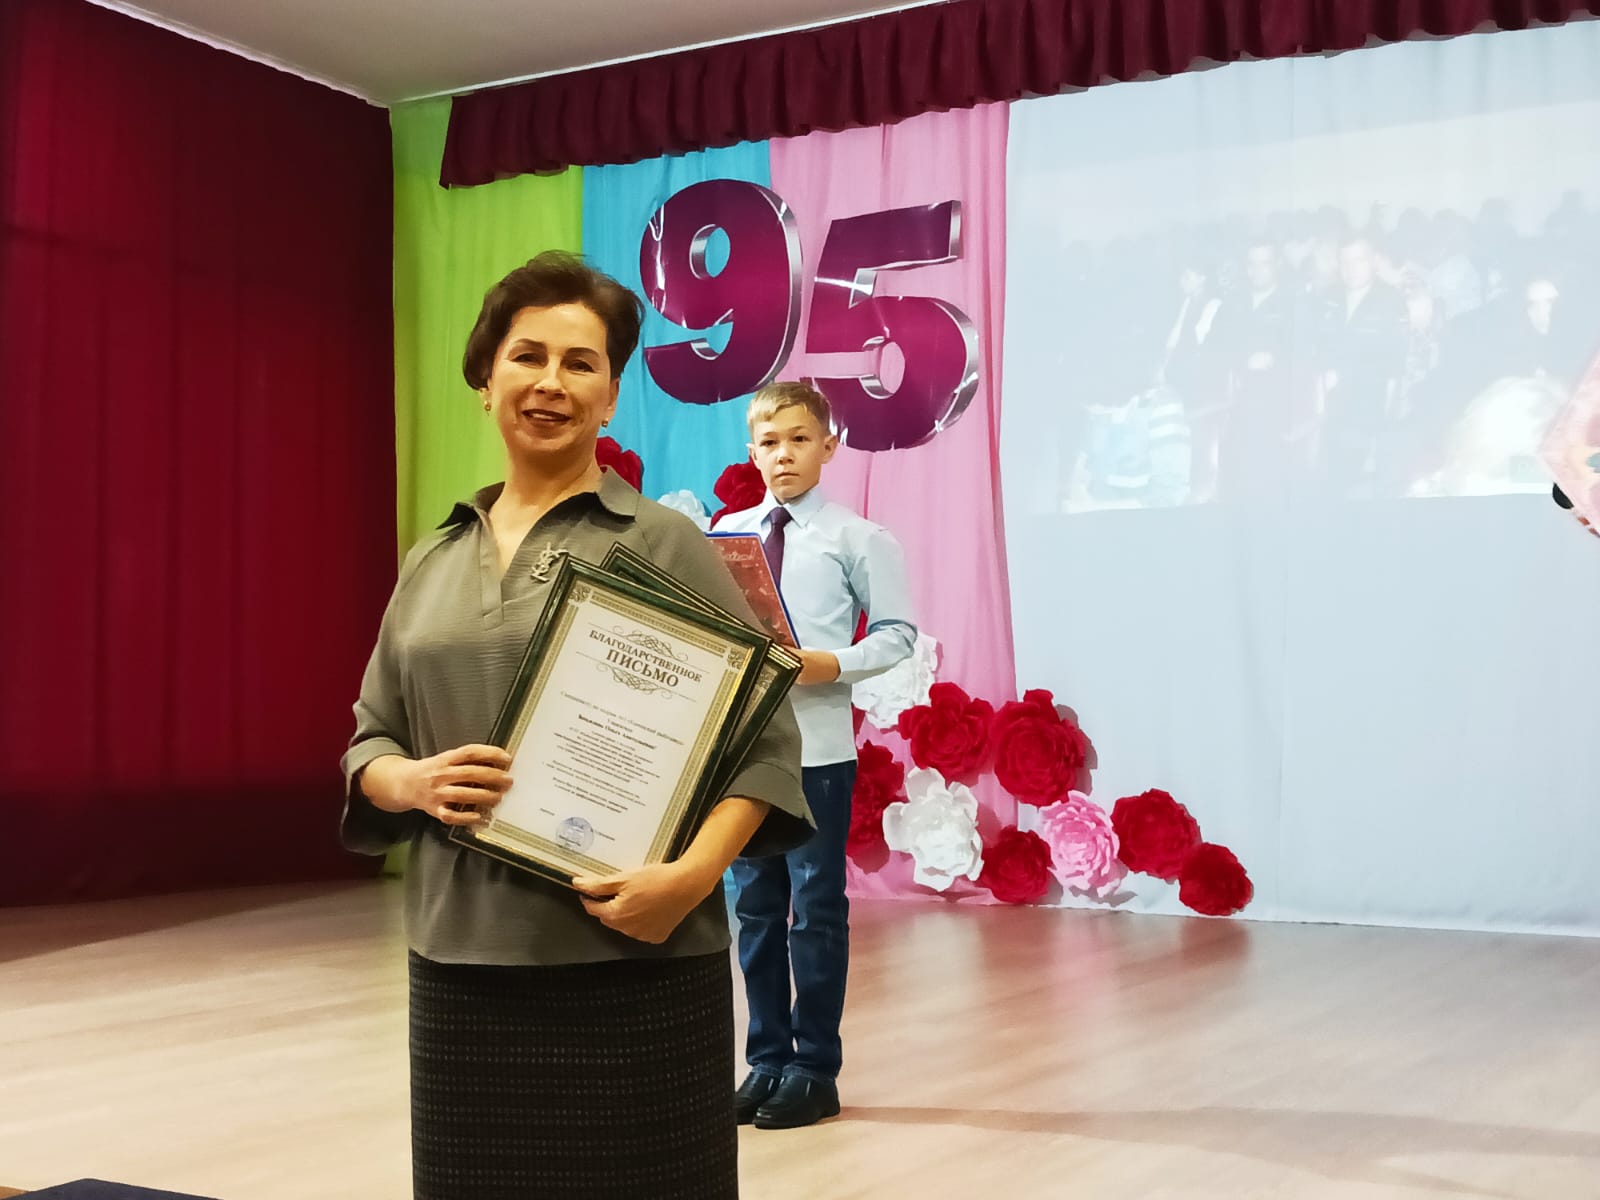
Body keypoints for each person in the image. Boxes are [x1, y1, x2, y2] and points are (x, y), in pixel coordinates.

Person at [340, 251, 811, 1200]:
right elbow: (370, 740)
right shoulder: (431, 558)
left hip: (636, 963)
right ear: (486, 381)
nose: (551, 382)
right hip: (461, 964)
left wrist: (688, 880)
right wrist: (410, 782)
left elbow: (764, 746)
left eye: (580, 363)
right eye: (527, 356)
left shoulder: (664, 543)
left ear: (609, 398)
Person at [715, 381, 918, 1129]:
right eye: (769, 442)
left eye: (800, 439)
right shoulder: (726, 534)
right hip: (745, 750)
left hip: (818, 750)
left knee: (816, 910)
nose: (784, 455)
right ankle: (766, 1060)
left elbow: (898, 634)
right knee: (755, 909)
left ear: (830, 446)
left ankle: (814, 1069)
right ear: (752, 452)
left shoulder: (858, 538)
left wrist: (828, 664)